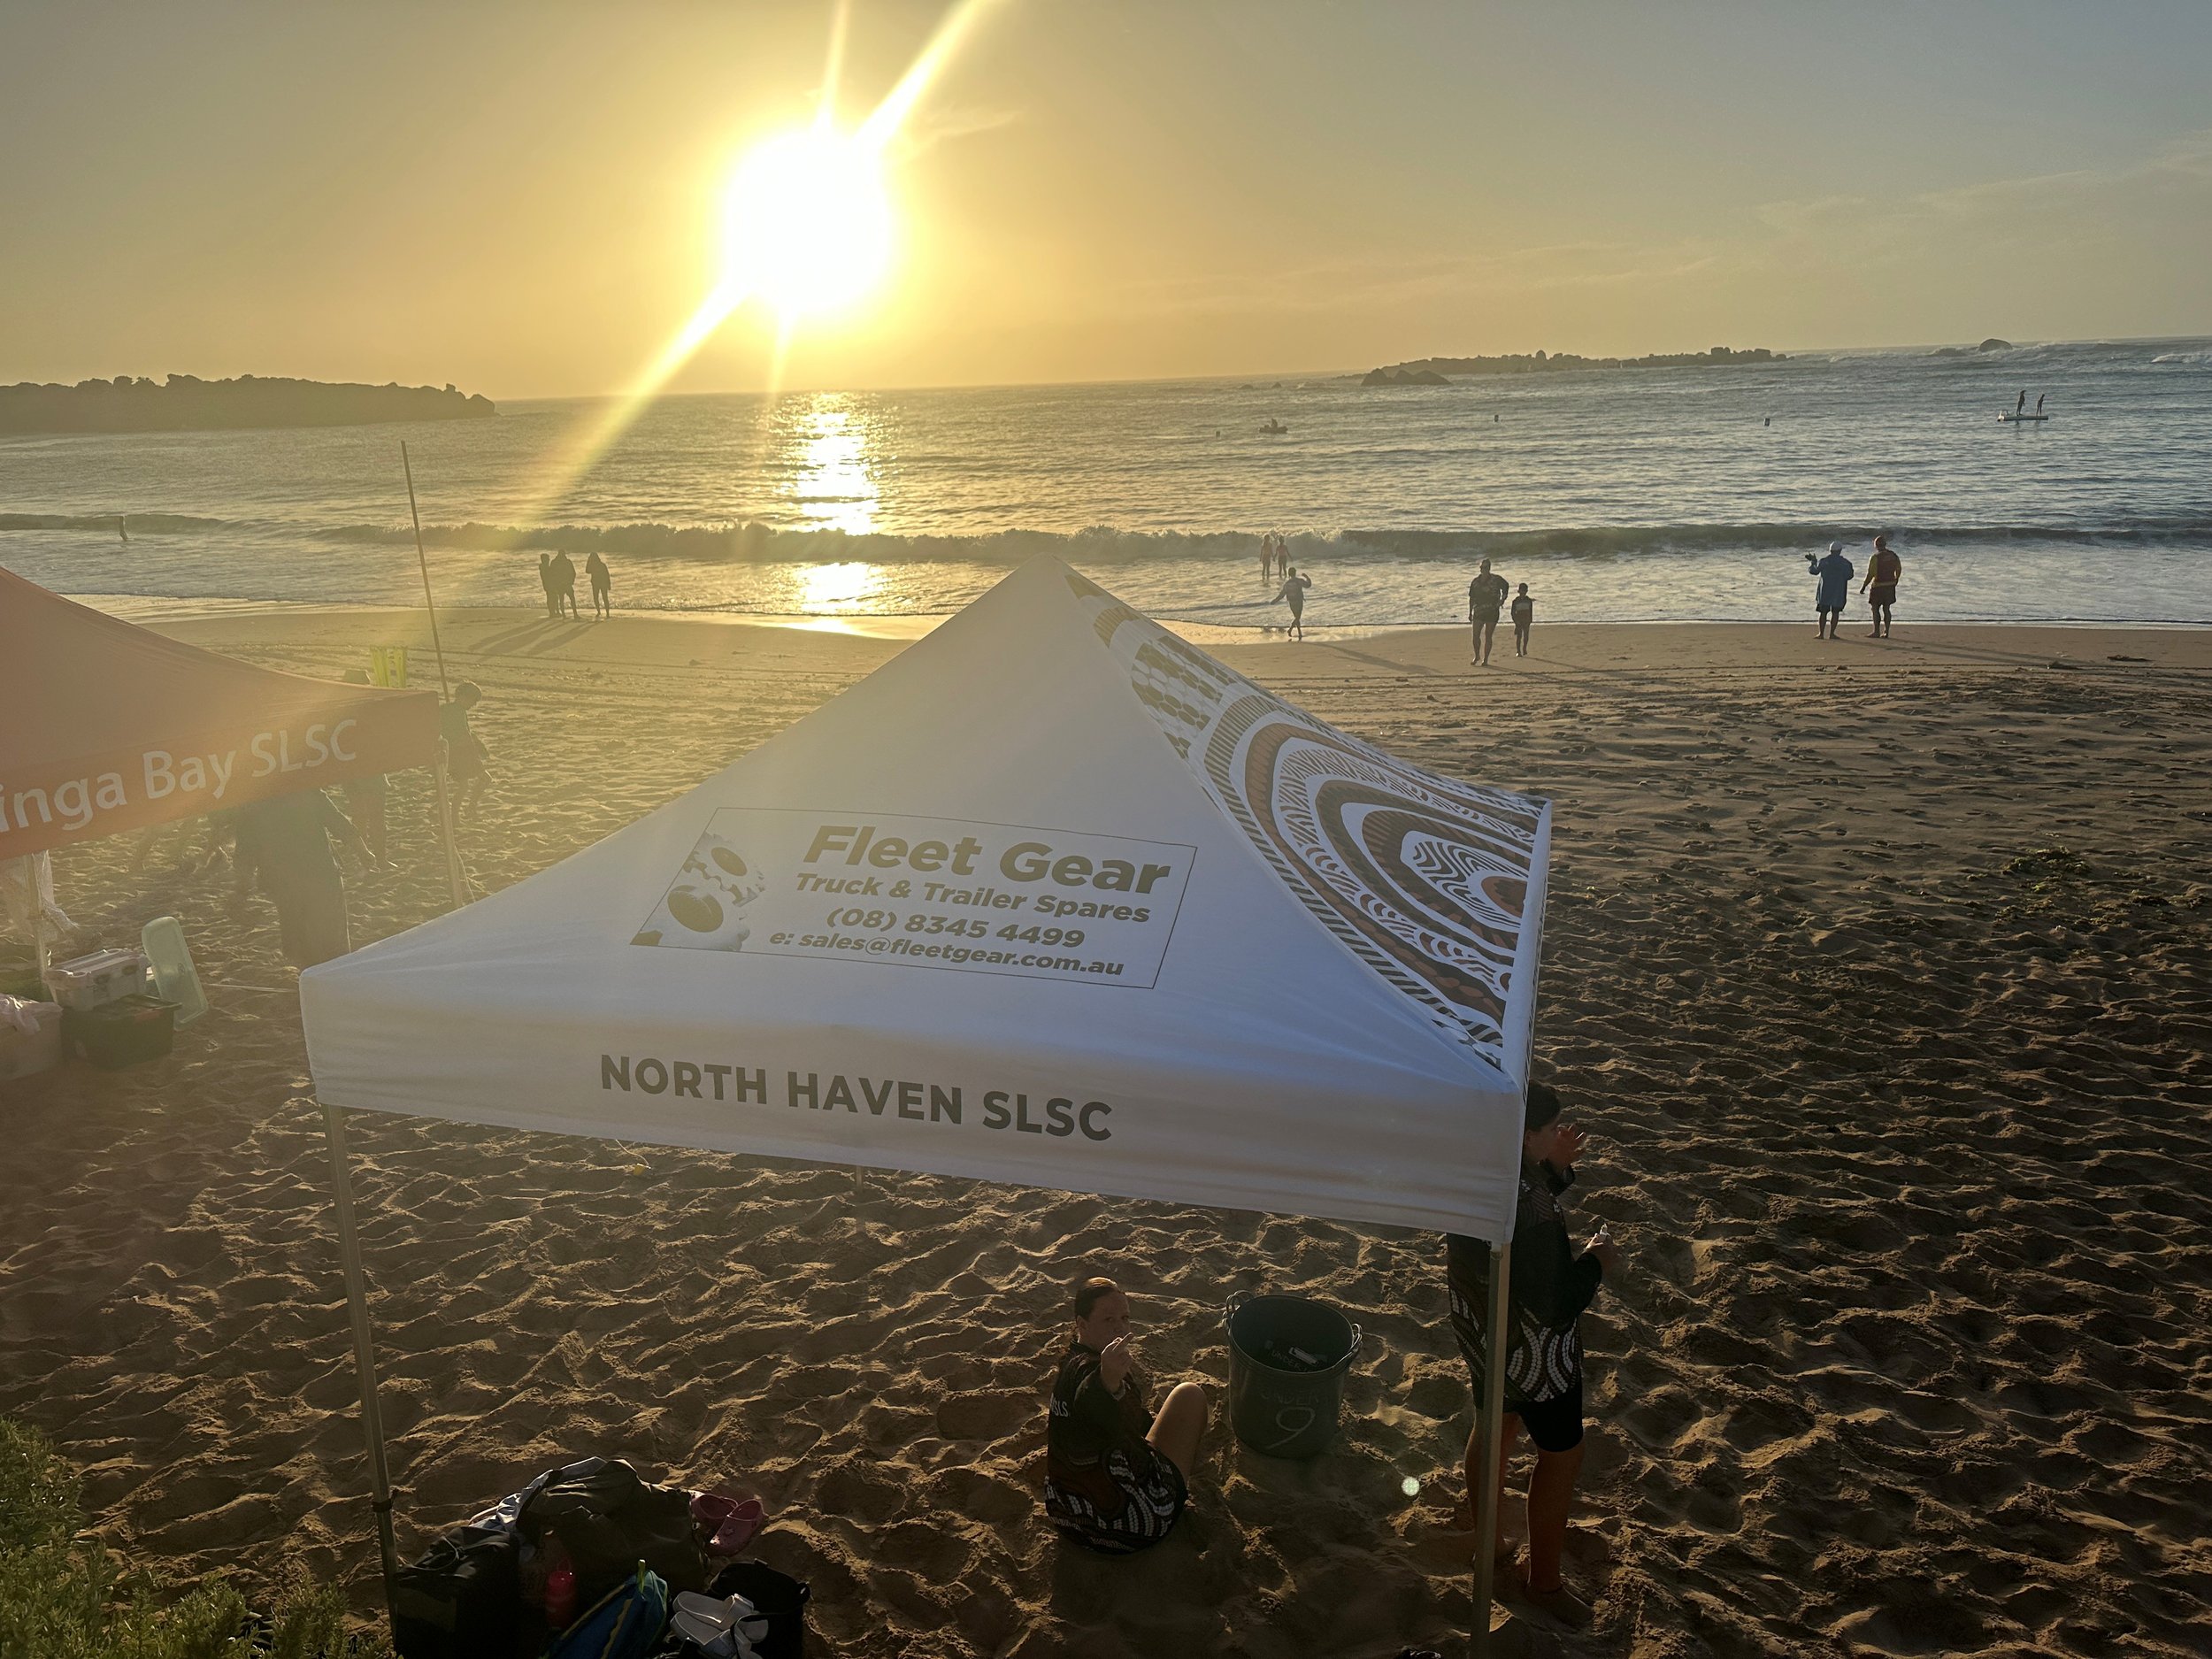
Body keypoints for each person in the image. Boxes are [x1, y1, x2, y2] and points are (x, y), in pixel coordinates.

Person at [1447, 1083, 1618, 1631]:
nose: (1558, 1135)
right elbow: (1555, 1300)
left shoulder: (1477, 1170)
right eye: (1549, 1130)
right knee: (1562, 1455)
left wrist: (1554, 1167)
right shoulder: (1530, 1207)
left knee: (1495, 1423)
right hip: (1538, 1357)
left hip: (1484, 1333)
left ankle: (1489, 1543)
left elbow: (1517, 1207)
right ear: (1524, 1136)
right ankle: (1543, 1584)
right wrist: (1596, 1262)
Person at [1044, 1277, 1209, 1555]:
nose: (1120, 1327)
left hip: (1067, 1519)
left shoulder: (1069, 1362)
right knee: (1189, 1395)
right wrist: (1108, 1381)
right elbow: (1091, 1399)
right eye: (1108, 1319)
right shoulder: (1095, 1373)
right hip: (1132, 1527)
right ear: (1082, 1324)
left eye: (1125, 1318)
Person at [234, 789, 377, 968]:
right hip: (321, 873)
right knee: (333, 939)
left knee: (301, 942)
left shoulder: (252, 805)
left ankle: (312, 976)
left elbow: (245, 854)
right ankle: (333, 976)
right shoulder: (305, 791)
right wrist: (363, 852)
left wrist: (242, 890)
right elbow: (339, 823)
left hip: (285, 882)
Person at [441, 680, 491, 820]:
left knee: (465, 786)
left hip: (457, 753)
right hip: (460, 755)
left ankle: (460, 814)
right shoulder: (455, 711)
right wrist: (476, 752)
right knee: (478, 781)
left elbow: (466, 732)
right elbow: (463, 735)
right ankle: (465, 811)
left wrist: (478, 744)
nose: (473, 705)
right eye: (473, 701)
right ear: (463, 697)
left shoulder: (452, 709)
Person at [1808, 541, 1854, 640]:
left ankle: (1821, 634)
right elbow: (1849, 576)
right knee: (1835, 613)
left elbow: (1814, 571)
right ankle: (1832, 634)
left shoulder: (1824, 561)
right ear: (1840, 551)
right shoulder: (1846, 563)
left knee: (1823, 613)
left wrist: (1813, 562)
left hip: (1825, 591)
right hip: (1839, 591)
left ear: (1830, 550)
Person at [1468, 557, 1509, 665]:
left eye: (1485, 567)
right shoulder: (1475, 582)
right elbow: (1471, 598)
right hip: (1478, 610)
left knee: (1488, 635)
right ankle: (1477, 656)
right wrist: (1470, 612)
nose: (1483, 569)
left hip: (1492, 610)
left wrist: (1502, 600)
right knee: (1475, 635)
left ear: (1489, 568)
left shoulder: (1496, 579)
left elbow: (1506, 586)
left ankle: (1485, 659)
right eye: (1481, 567)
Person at [1861, 534, 1902, 638]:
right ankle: (1886, 631)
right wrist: (1896, 579)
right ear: (1885, 544)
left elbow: (1870, 574)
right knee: (1886, 608)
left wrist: (1864, 586)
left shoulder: (1875, 557)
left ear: (1876, 545)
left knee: (1875, 608)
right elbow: (1898, 568)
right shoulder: (1893, 555)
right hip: (1890, 585)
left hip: (1878, 586)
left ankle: (1876, 631)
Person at [1276, 565, 1312, 639]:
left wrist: (1275, 600)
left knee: (1296, 617)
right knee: (1298, 617)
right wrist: (1307, 577)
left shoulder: (1287, 583)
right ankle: (1290, 629)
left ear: (1289, 574)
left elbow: (1282, 594)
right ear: (1295, 573)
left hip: (1291, 602)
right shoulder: (1299, 581)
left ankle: (1299, 632)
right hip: (1298, 601)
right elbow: (1308, 585)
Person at [551, 551, 580, 619]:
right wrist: (572, 581)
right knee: (572, 598)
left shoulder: (554, 562)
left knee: (562, 599)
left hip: (560, 584)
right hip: (567, 584)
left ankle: (564, 615)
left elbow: (552, 574)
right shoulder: (567, 562)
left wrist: (555, 583)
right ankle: (575, 614)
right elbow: (573, 572)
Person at [1510, 582, 1534, 657]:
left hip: (1526, 620)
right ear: (1519, 591)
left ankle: (1524, 648)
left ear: (1526, 591)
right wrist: (1515, 621)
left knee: (1526, 636)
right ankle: (1518, 651)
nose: (1523, 592)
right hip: (1519, 620)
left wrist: (1530, 620)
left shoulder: (1529, 601)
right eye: (1522, 591)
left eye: (1524, 591)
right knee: (1519, 636)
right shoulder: (1515, 601)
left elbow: (1530, 611)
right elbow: (1513, 612)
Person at [586, 550, 612, 619]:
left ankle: (599, 612)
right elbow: (607, 575)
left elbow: (587, 570)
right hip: (602, 583)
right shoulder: (602, 565)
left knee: (597, 598)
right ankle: (607, 613)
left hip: (596, 583)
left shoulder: (593, 566)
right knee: (604, 598)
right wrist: (609, 584)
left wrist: (588, 561)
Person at [538, 554, 558, 618]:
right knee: (552, 598)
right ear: (545, 560)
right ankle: (552, 613)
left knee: (552, 598)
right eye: (548, 559)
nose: (549, 560)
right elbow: (548, 576)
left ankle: (552, 612)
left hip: (547, 584)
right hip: (549, 584)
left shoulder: (544, 567)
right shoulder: (545, 568)